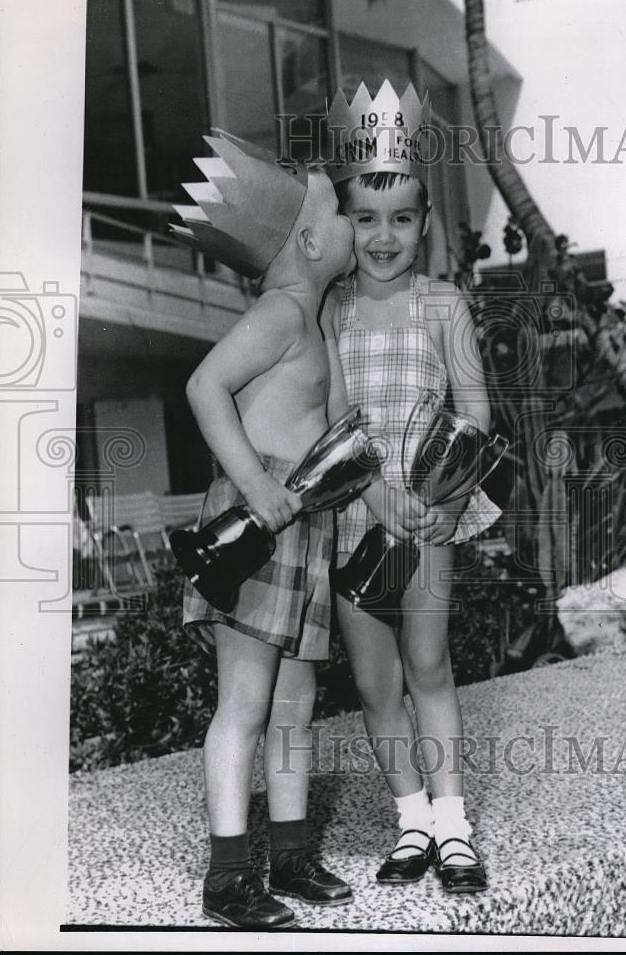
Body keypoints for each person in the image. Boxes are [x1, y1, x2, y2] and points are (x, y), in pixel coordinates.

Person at [322, 82, 502, 894]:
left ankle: (455, 826)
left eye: (400, 218)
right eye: (365, 218)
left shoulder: (443, 304)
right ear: (343, 224)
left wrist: (447, 501)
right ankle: (412, 823)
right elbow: (327, 418)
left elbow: (477, 411)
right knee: (373, 680)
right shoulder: (332, 314)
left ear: (425, 222)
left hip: (429, 517)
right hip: (355, 517)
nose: (384, 235)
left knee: (427, 665)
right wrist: (367, 497)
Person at [173, 132, 355, 929]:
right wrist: (252, 482)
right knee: (245, 705)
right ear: (313, 242)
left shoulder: (314, 324)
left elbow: (341, 424)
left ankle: (287, 853)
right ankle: (228, 876)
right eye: (344, 212)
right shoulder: (281, 314)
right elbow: (203, 383)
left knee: (294, 703)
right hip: (256, 522)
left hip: (300, 523)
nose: (353, 222)